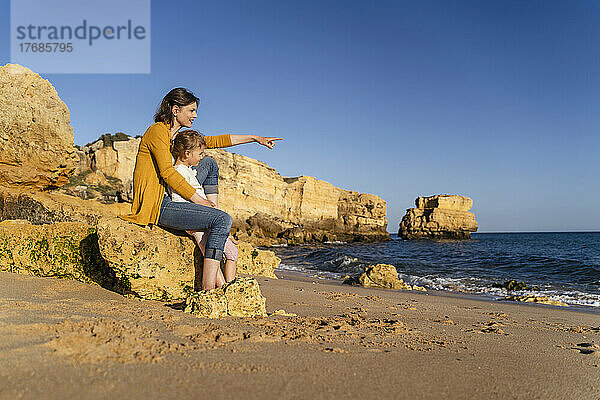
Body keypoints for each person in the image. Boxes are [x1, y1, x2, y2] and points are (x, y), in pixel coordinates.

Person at [120, 87, 282, 290]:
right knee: (221, 219)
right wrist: (201, 202)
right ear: (175, 109)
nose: (195, 115)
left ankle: (211, 217)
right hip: (159, 204)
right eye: (191, 110)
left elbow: (216, 141)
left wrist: (255, 138)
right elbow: (167, 173)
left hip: (172, 196)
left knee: (210, 163)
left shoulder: (175, 138)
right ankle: (208, 288)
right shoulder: (157, 132)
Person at [168, 130, 238, 287]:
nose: (201, 157)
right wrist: (203, 208)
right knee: (211, 254)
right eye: (199, 154)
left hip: (208, 220)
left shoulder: (188, 170)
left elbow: (195, 175)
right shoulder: (178, 172)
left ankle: (230, 287)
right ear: (187, 153)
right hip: (197, 223)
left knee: (232, 252)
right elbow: (179, 199)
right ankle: (219, 289)